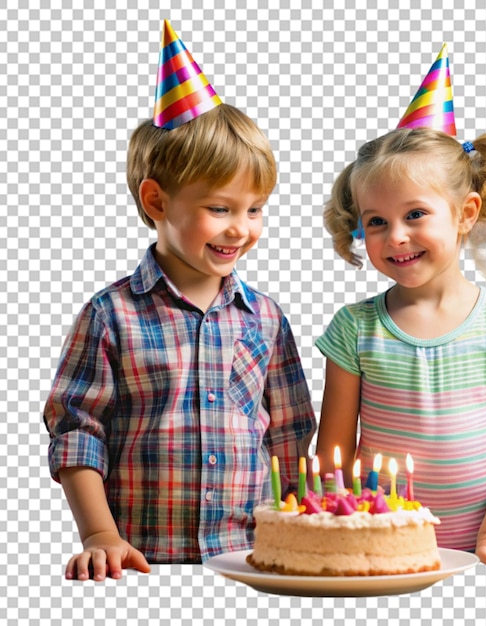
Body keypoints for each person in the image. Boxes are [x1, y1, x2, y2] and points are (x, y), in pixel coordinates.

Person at [43, 20, 316, 581]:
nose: (240, 228)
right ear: (156, 200)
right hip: (142, 565)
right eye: (221, 208)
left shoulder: (265, 317)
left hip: (252, 563)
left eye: (255, 208)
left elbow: (289, 435)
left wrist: (302, 532)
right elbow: (77, 429)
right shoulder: (109, 315)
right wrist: (100, 535)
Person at [314, 45, 486, 569]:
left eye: (416, 214)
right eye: (376, 221)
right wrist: (338, 522)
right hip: (379, 546)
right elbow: (335, 445)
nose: (396, 236)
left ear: (466, 213)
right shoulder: (355, 328)